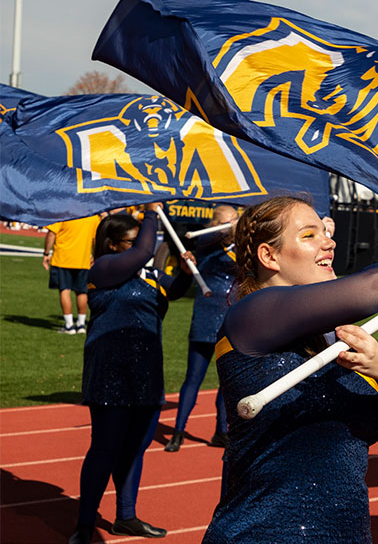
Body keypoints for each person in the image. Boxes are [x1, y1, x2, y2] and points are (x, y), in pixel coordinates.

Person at [201, 195, 378, 544]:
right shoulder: (252, 315)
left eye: (325, 231)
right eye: (309, 235)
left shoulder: (329, 339)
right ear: (269, 256)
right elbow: (376, 287)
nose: (329, 241)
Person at [68, 204, 194, 544]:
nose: (144, 247)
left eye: (143, 240)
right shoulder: (104, 270)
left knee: (135, 449)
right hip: (111, 372)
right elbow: (141, 253)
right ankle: (83, 524)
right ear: (112, 244)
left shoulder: (149, 275)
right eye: (133, 241)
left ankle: (126, 516)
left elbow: (176, 290)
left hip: (147, 372)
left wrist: (184, 271)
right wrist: (152, 214)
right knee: (104, 448)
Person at [165, 205, 239, 452]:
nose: (233, 224)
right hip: (206, 317)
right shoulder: (206, 244)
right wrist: (224, 228)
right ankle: (177, 431)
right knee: (193, 378)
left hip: (231, 320)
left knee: (226, 381)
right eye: (228, 220)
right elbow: (209, 236)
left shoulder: (241, 248)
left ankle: (222, 430)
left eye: (235, 219)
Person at [42, 215, 101, 334]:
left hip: (63, 258)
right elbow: (96, 239)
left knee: (64, 289)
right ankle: (81, 324)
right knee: (82, 291)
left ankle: (69, 325)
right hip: (83, 259)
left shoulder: (64, 212)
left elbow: (51, 233)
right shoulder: (93, 216)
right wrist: (94, 256)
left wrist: (46, 253)